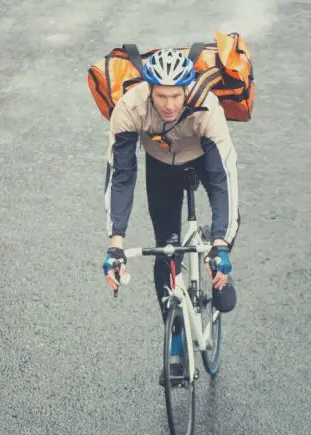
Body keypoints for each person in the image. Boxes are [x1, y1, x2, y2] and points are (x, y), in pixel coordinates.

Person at [100, 48, 242, 384]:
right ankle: (176, 335)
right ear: (149, 89)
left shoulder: (208, 107)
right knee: (166, 248)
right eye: (161, 95)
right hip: (161, 164)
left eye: (176, 96)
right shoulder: (129, 108)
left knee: (222, 234)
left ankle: (218, 263)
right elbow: (120, 177)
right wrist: (115, 245)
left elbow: (224, 182)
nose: (168, 104)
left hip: (203, 158)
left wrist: (221, 243)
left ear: (186, 89)